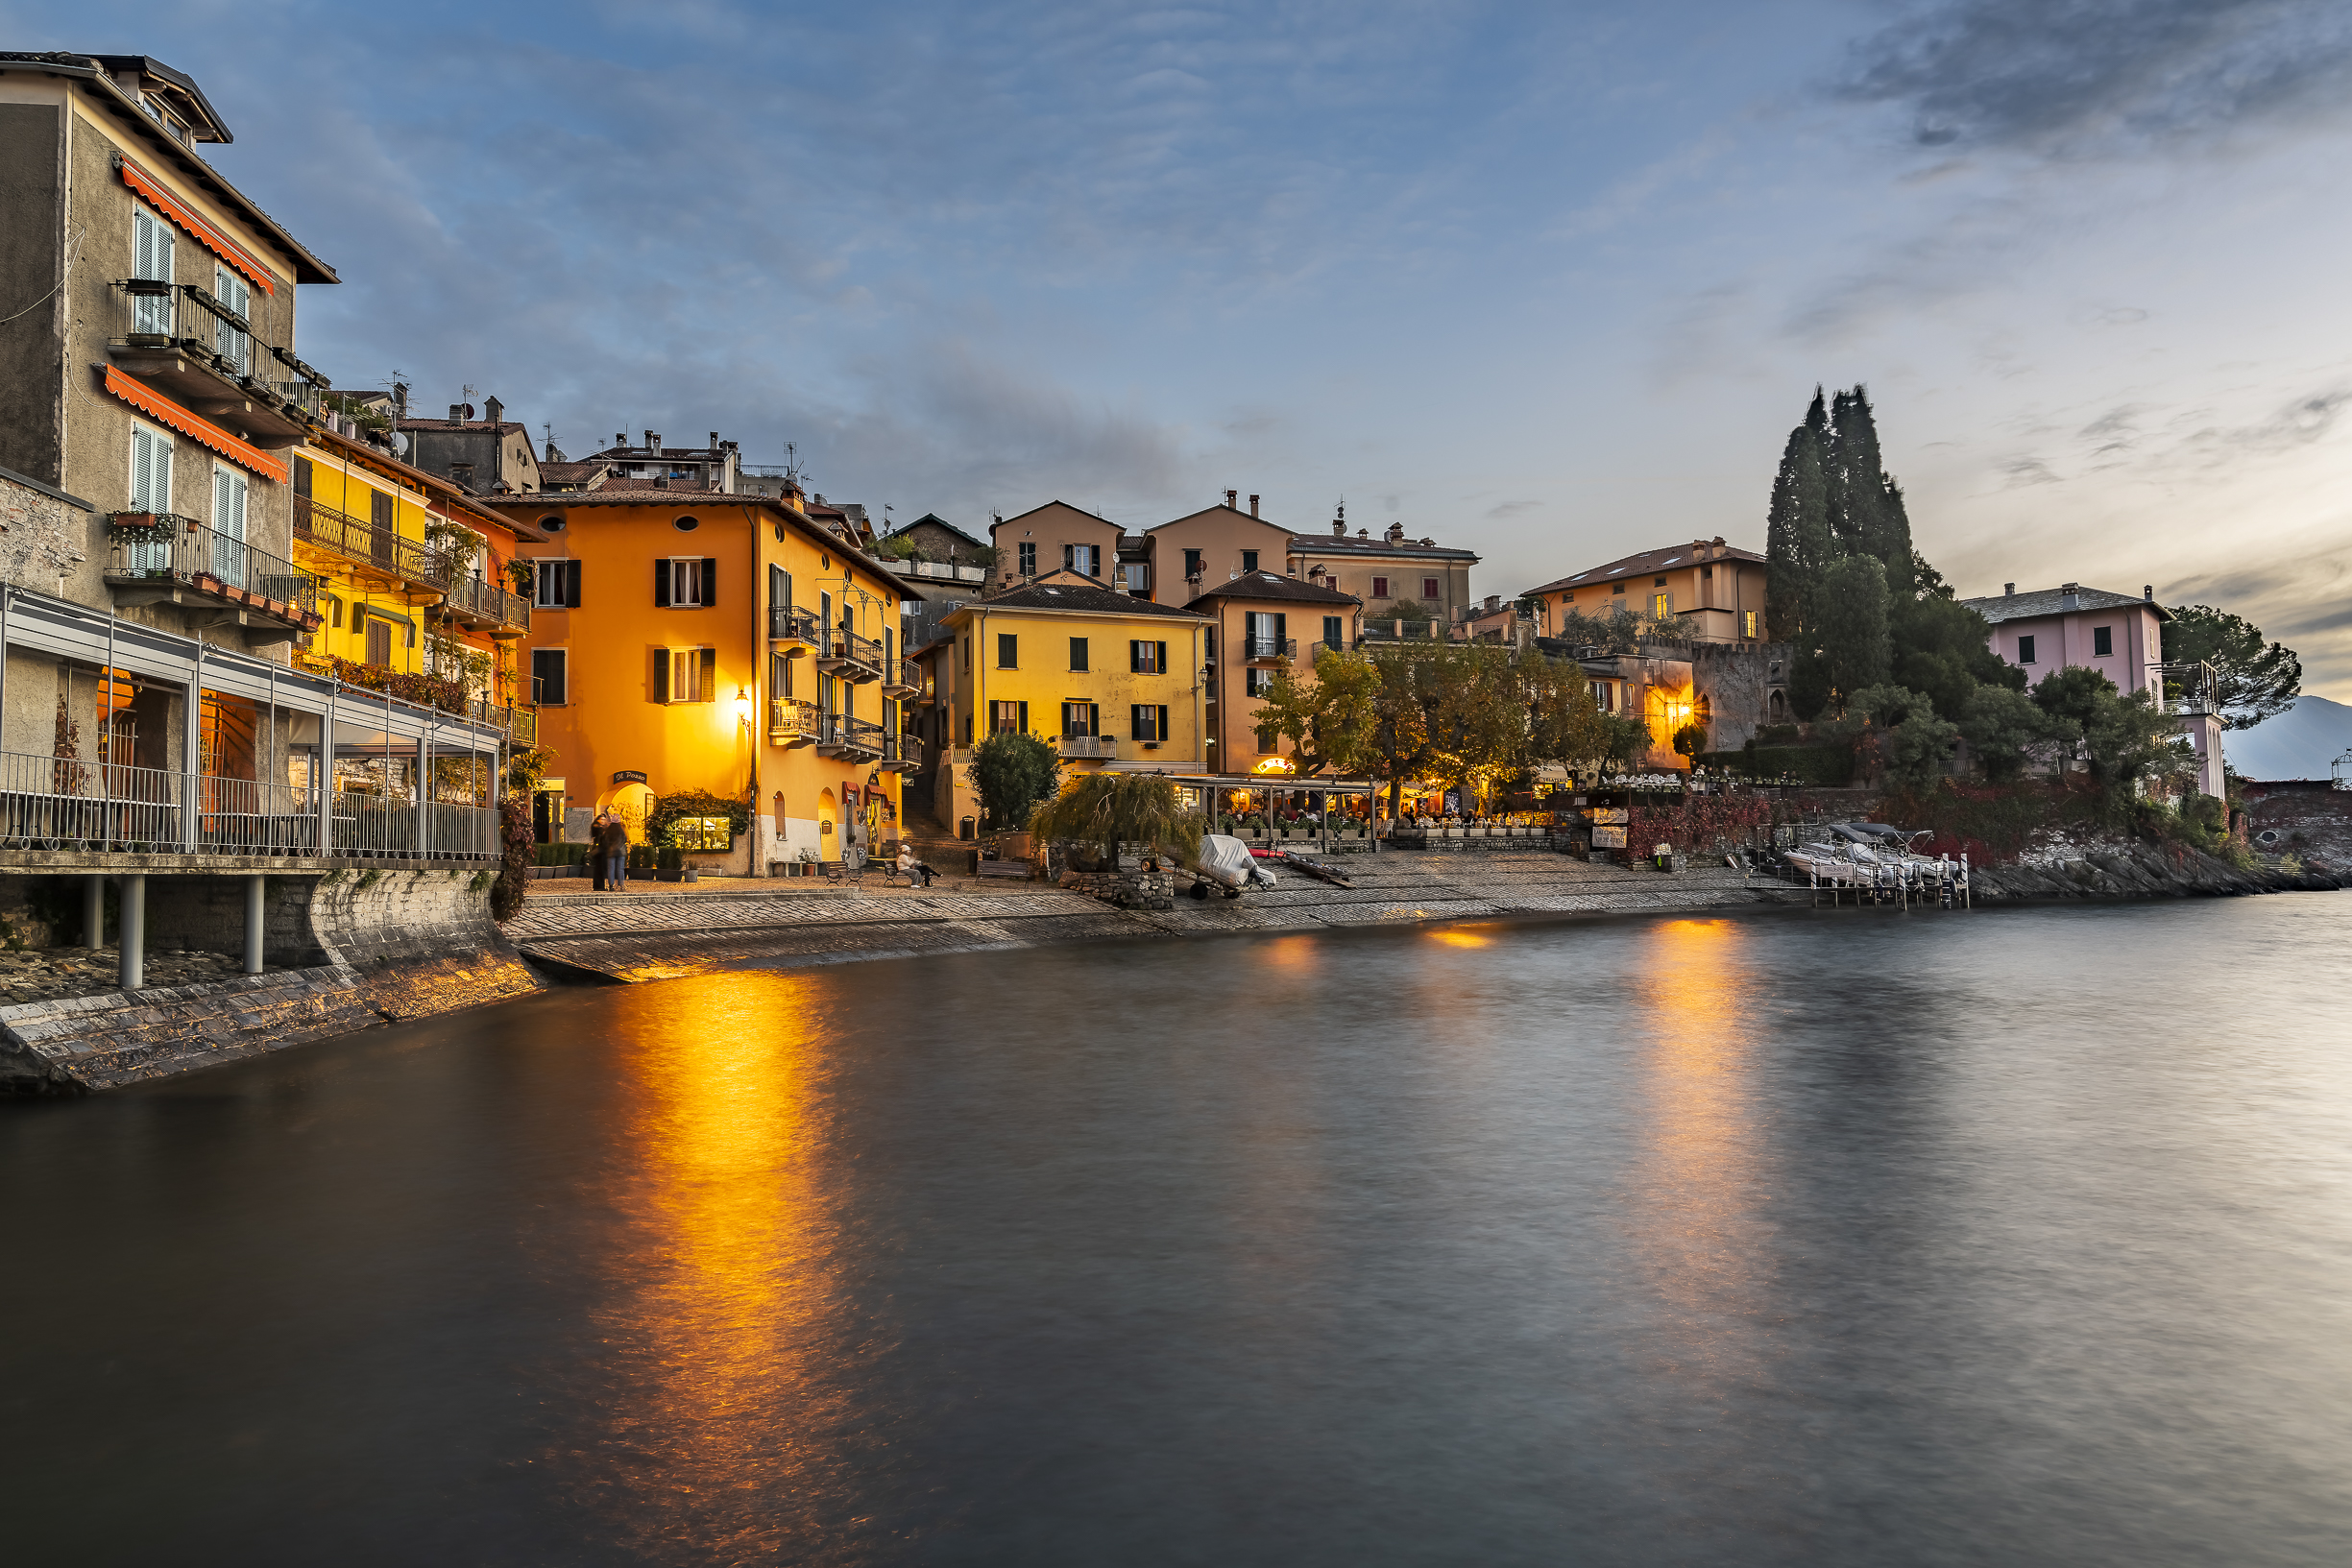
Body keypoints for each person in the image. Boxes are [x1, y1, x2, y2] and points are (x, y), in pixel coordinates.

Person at [598, 810, 631, 891]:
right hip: (620, 852)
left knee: (611, 869)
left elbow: (604, 841)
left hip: (610, 852)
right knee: (620, 869)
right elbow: (625, 839)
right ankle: (621, 886)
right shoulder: (622, 829)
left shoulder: (608, 831)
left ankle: (611, 886)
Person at [589, 810, 610, 891]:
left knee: (600, 869)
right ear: (598, 820)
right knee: (600, 869)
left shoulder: (601, 828)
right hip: (600, 851)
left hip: (602, 851)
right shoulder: (597, 828)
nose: (603, 821)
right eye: (602, 819)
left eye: (604, 820)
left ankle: (599, 886)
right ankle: (599, 886)